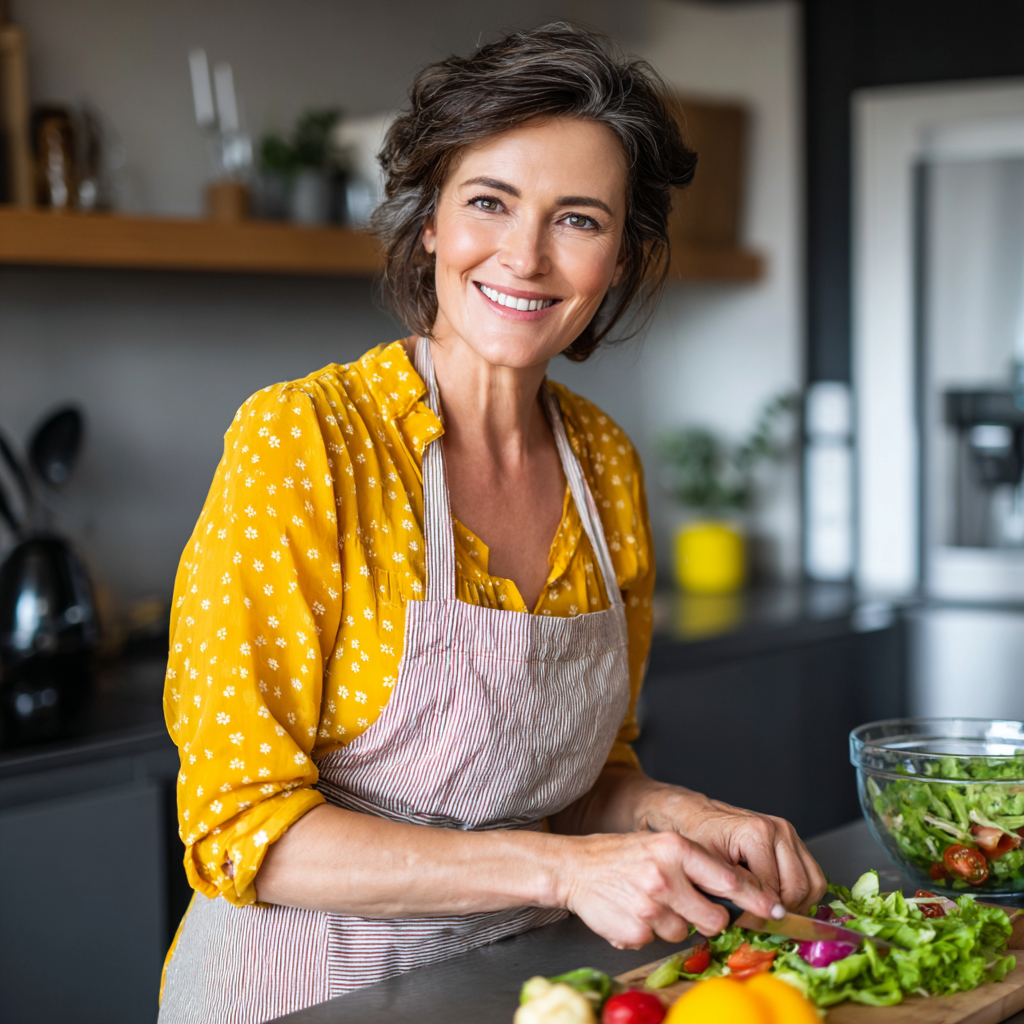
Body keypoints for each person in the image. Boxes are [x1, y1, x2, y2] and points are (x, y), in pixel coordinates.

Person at [158, 23, 825, 1023]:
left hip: (519, 987)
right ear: (429, 222)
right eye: (488, 202)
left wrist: (674, 813)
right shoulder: (305, 442)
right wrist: (561, 871)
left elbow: (578, 778)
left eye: (579, 219)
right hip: (298, 991)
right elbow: (244, 830)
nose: (525, 255)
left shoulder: (602, 463)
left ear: (620, 258)